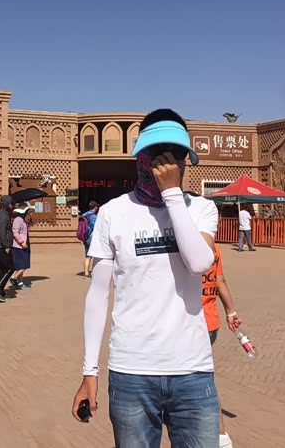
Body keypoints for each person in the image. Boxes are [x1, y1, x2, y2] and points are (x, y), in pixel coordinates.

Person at [72, 109, 220, 447]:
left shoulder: (200, 209)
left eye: (177, 154)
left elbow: (199, 262)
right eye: (158, 154)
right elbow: (98, 295)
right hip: (132, 372)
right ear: (140, 157)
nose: (168, 164)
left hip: (192, 371)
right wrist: (90, 371)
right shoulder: (113, 213)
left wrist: (172, 196)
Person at [201, 244, 241, 448]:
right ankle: (221, 435)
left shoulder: (182, 244)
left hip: (192, 325)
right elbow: (220, 280)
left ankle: (220, 434)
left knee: (200, 380)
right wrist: (231, 312)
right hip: (211, 323)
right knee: (202, 376)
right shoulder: (213, 247)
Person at [0, 195, 14, 302]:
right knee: (10, 268)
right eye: (11, 204)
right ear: (7, 204)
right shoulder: (4, 215)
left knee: (0, 270)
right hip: (1, 246)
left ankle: (0, 293)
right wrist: (6, 245)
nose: (12, 206)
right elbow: (2, 232)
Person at [10, 204, 33, 290]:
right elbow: (15, 232)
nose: (30, 213)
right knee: (24, 264)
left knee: (21, 265)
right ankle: (14, 277)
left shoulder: (23, 220)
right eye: (29, 212)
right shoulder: (18, 220)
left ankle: (20, 282)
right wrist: (21, 242)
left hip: (25, 244)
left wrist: (29, 222)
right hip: (19, 246)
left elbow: (25, 231)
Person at [81, 200, 99, 278]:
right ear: (95, 207)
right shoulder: (93, 217)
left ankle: (86, 272)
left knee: (87, 256)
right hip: (92, 238)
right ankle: (94, 271)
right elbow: (96, 227)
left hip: (85, 237)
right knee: (95, 255)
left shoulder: (84, 215)